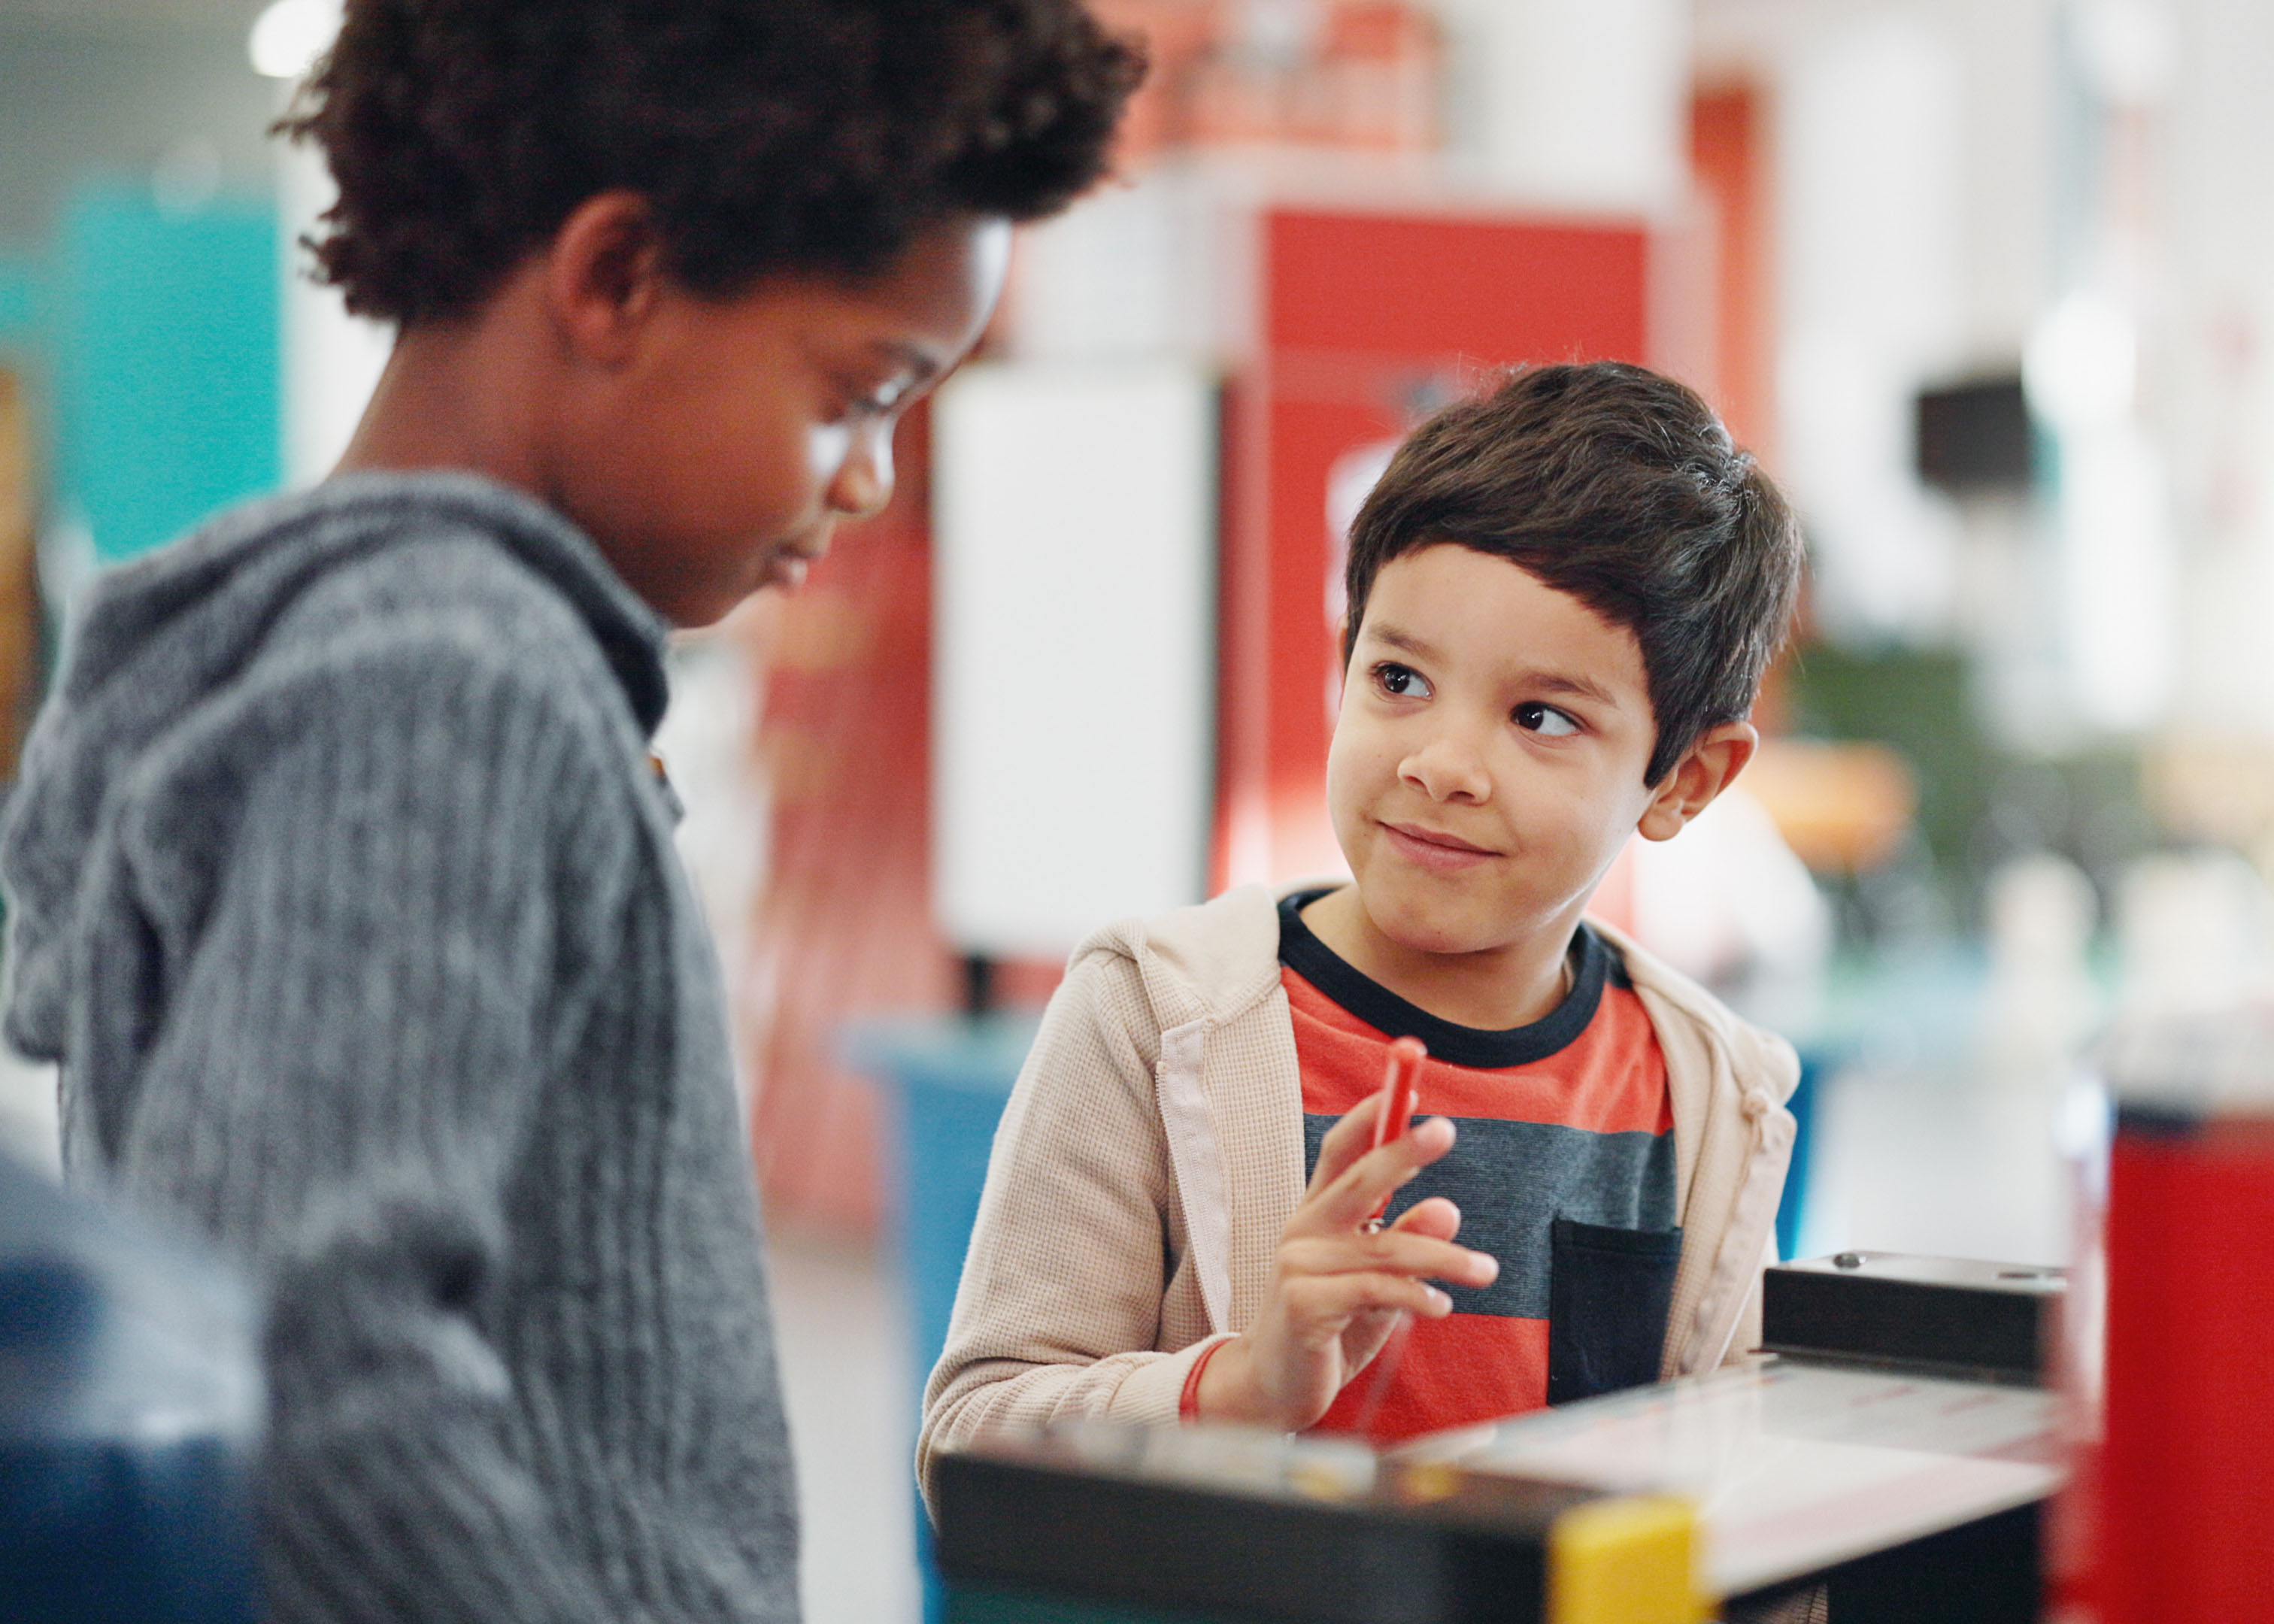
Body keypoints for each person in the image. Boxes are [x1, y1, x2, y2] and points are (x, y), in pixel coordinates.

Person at [0, 2, 1139, 1619]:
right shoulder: (447, 679)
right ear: (617, 279)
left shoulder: (373, 661)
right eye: (859, 391)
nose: (870, 477)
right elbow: (312, 1367)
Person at [921, 362, 1806, 1493]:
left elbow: (1732, 1485)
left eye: (1541, 717)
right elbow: (969, 1447)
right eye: (1398, 678)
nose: (1440, 764)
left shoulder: (1712, 1094)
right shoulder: (1154, 1016)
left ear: (1684, 779)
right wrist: (1238, 1387)